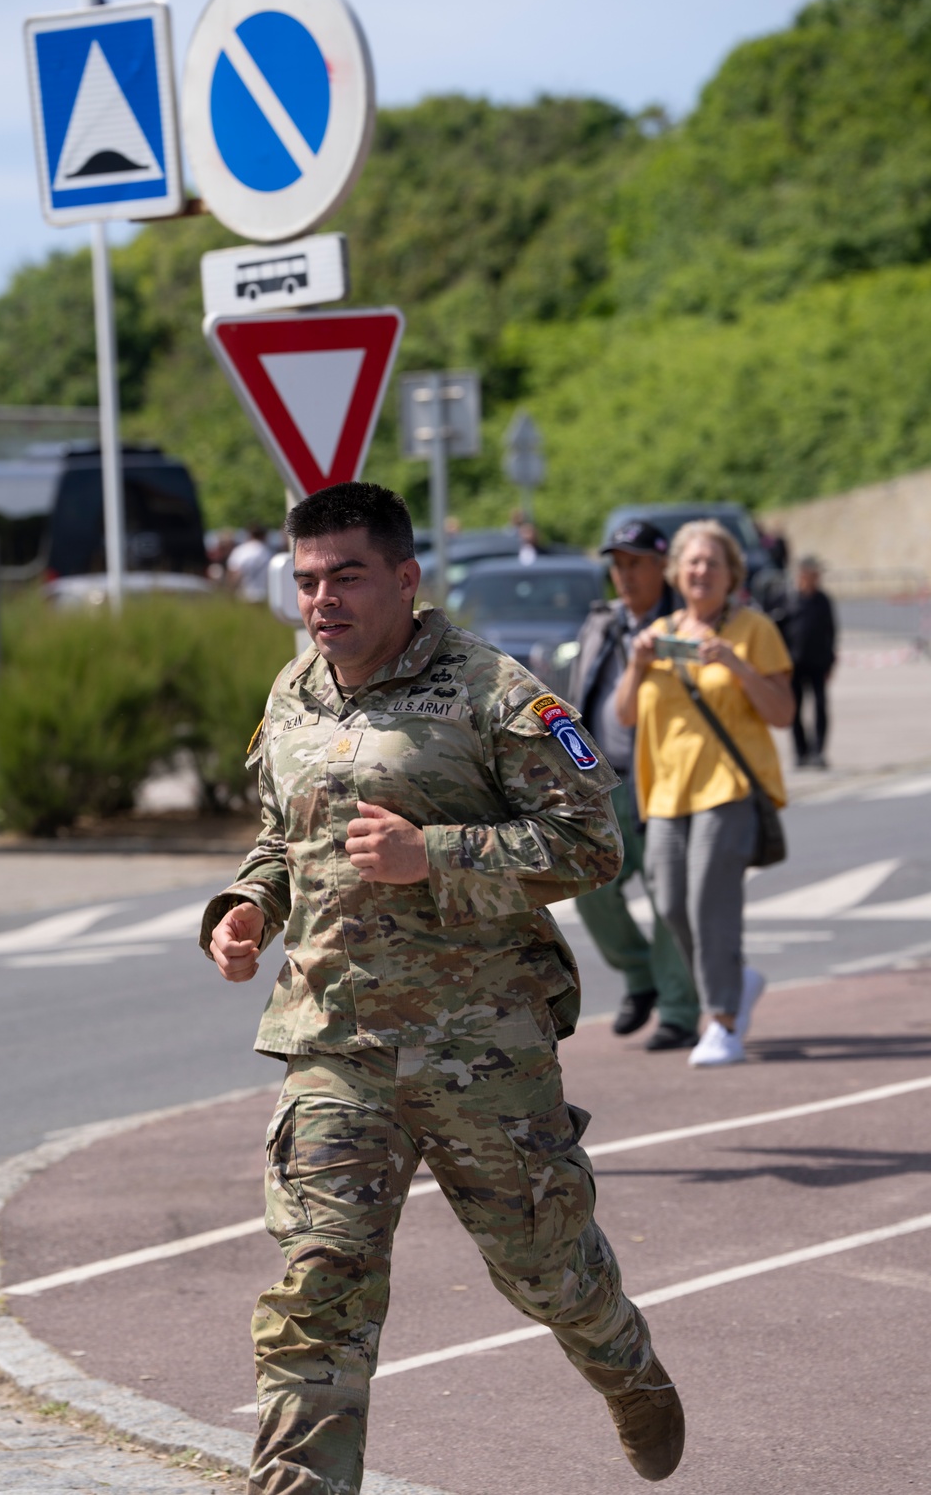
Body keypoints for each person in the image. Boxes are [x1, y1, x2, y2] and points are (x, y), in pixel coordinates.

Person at [201, 482, 684, 1493]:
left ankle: (622, 1362)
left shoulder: (492, 692)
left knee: (543, 1265)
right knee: (317, 1286)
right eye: (306, 582)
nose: (322, 601)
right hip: (335, 1044)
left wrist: (438, 852)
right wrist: (245, 909)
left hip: (483, 1052)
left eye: (346, 577)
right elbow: (280, 840)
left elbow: (592, 842)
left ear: (407, 579)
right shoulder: (293, 694)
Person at [615, 519, 794, 1069]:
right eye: (692, 562)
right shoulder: (662, 631)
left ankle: (722, 1023)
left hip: (728, 788)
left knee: (708, 905)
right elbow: (623, 717)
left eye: (712, 563)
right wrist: (639, 664)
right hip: (666, 793)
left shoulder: (752, 629)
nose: (701, 571)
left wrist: (735, 665)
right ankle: (735, 982)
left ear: (731, 574)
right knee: (670, 905)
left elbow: (783, 713)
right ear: (677, 573)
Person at [569, 520, 701, 1052]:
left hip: (669, 779)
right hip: (604, 782)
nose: (623, 575)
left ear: (661, 567)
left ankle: (678, 1008)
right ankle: (640, 973)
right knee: (588, 888)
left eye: (635, 563)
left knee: (670, 897)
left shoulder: (686, 624)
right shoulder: (603, 621)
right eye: (617, 565)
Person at [781, 556, 838, 768]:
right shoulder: (788, 599)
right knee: (794, 709)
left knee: (821, 707)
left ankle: (818, 752)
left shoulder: (823, 600)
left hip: (818, 663)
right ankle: (800, 752)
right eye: (811, 575)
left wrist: (831, 661)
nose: (815, 579)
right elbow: (780, 632)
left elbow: (831, 632)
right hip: (794, 664)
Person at [227, 523, 272, 602]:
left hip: (244, 596)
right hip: (264, 596)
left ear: (249, 534)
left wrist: (230, 594)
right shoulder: (268, 552)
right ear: (264, 536)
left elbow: (235, 574)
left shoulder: (241, 551)